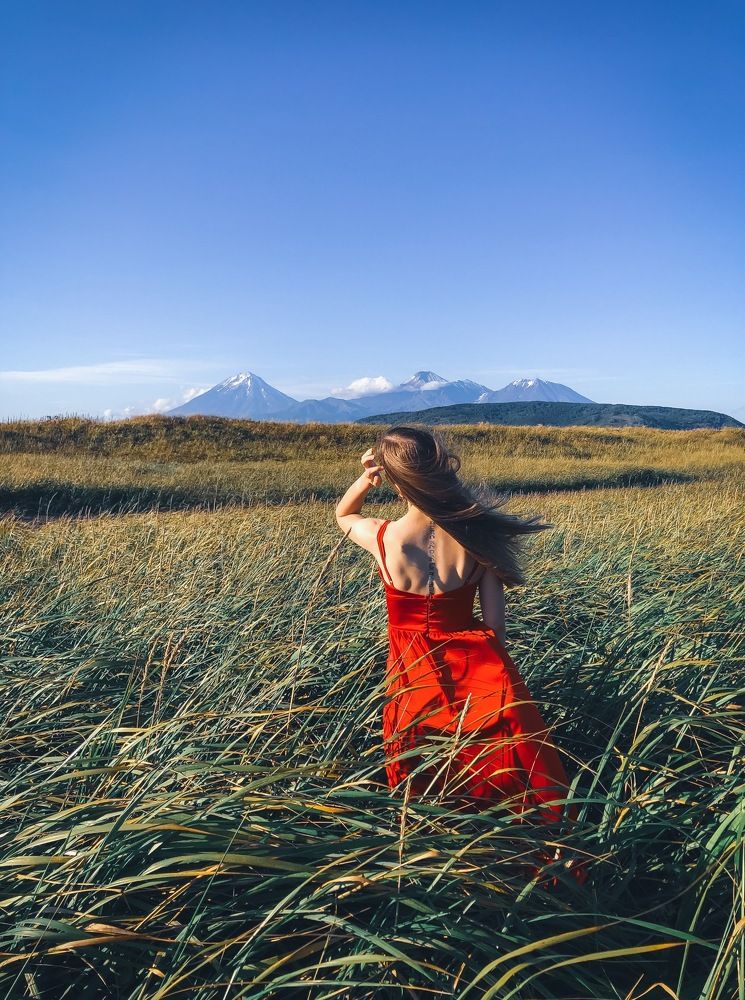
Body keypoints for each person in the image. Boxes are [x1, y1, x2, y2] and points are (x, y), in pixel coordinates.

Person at [335, 425, 587, 885]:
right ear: (440, 468)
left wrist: (366, 479)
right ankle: (521, 860)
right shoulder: (478, 539)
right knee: (502, 767)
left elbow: (343, 514)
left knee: (423, 764)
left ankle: (436, 865)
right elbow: (495, 629)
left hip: (413, 674)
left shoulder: (382, 536)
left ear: (397, 480)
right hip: (479, 667)